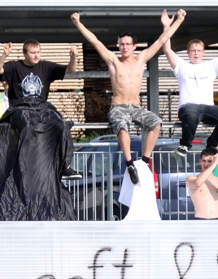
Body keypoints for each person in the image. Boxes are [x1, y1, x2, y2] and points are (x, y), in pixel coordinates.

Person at [71, 10, 186, 185]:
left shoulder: (141, 59)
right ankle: (130, 163)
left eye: (127, 44)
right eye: (121, 44)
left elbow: (162, 40)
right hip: (118, 107)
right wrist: (78, 23)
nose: (124, 47)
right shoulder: (113, 61)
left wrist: (179, 20)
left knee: (156, 123)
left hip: (136, 108)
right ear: (118, 46)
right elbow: (94, 41)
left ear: (134, 46)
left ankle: (144, 162)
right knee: (122, 128)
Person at [162, 13, 218, 158]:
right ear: (188, 52)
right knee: (191, 113)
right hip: (188, 106)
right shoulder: (182, 66)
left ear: (203, 52)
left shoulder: (211, 66)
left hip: (207, 107)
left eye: (199, 50)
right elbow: (167, 50)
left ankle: (212, 143)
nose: (196, 53)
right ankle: (185, 144)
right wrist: (166, 27)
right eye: (193, 50)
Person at [0, 41, 81, 180]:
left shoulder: (46, 66)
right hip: (20, 108)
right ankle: (26, 163)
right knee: (28, 126)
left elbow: (71, 70)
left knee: (61, 124)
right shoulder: (15, 66)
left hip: (41, 108)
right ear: (25, 54)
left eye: (38, 52)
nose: (36, 55)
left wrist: (73, 57)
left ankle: (65, 167)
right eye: (33, 53)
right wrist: (4, 55)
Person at [186, 146, 218, 219]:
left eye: (209, 161)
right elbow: (198, 183)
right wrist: (214, 163)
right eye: (204, 161)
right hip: (200, 219)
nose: (206, 164)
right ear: (200, 161)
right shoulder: (191, 178)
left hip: (217, 219)